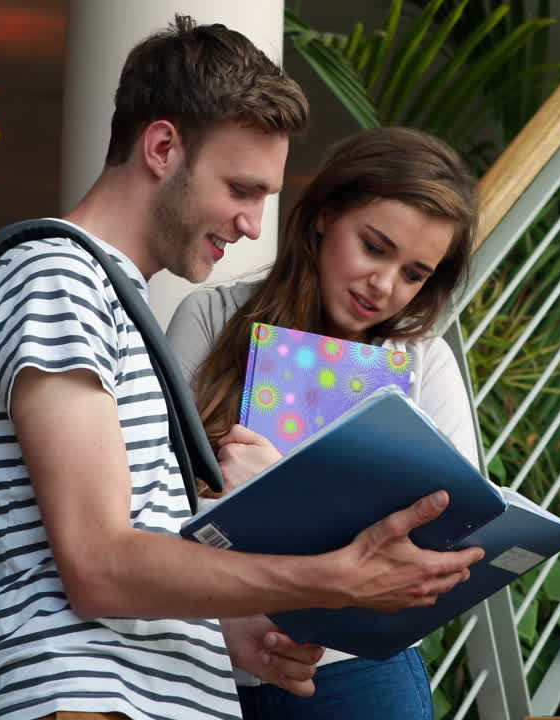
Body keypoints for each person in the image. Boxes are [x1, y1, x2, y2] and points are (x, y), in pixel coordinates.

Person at [0, 17, 483, 720]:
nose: (255, 224)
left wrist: (229, 635)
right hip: (84, 696)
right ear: (162, 148)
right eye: (241, 188)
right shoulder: (57, 279)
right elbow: (100, 566)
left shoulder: (116, 301)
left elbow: (138, 549)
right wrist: (330, 576)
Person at [166, 126, 479, 720]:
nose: (384, 286)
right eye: (374, 247)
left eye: (414, 274)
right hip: (203, 660)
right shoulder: (209, 317)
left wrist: (278, 490)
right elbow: (150, 509)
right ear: (323, 215)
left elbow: (443, 545)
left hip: (355, 673)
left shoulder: (422, 361)